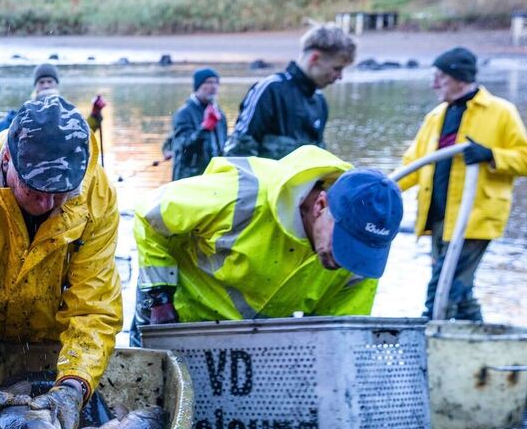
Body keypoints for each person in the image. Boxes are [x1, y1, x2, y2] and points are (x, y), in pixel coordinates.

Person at [0, 95, 123, 429]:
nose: (48, 205)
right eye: (35, 192)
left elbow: (94, 306)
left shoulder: (96, 192)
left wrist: (72, 388)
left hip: (56, 348)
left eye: (61, 195)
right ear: (7, 160)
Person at [132, 145, 402, 339]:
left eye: (359, 251)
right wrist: (159, 299)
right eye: (343, 243)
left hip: (255, 340)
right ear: (321, 205)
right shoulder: (242, 194)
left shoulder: (359, 261)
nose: (344, 260)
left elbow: (339, 333)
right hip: (175, 317)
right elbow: (150, 215)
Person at [398, 47, 527, 321]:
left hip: (475, 218)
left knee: (444, 286)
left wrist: (491, 155)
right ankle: (482, 346)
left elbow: (524, 157)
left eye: (440, 77)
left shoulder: (501, 112)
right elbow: (413, 164)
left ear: (459, 78)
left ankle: (429, 342)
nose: (434, 84)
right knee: (460, 290)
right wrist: (383, 188)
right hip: (438, 218)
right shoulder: (435, 117)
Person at [225, 24, 356, 159]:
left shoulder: (320, 101)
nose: (340, 77)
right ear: (314, 58)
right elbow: (239, 152)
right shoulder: (270, 89)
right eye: (337, 68)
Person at [168, 67, 226, 180]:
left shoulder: (219, 113)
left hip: (214, 175)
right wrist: (204, 128)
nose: (213, 86)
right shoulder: (184, 113)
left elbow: (223, 146)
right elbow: (182, 147)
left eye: (216, 82)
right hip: (189, 178)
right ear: (197, 86)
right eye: (208, 82)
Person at [0, 62, 61, 136]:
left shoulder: (67, 111)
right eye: (41, 82)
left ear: (56, 84)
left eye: (49, 81)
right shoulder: (23, 113)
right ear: (36, 86)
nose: (46, 86)